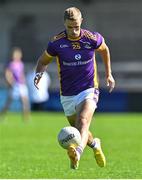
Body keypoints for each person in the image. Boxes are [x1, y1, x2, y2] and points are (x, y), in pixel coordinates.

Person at [34, 7, 115, 169]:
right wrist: (38, 74)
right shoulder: (56, 43)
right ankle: (95, 144)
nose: (74, 31)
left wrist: (109, 74)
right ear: (64, 24)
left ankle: (77, 153)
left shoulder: (92, 38)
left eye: (76, 27)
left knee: (83, 121)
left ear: (81, 22)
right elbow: (43, 61)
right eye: (70, 27)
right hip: (67, 94)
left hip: (89, 88)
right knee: (78, 129)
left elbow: (104, 50)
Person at [0, 47, 30, 122]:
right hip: (14, 85)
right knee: (8, 103)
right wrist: (10, 83)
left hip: (21, 85)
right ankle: (2, 115)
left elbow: (21, 74)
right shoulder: (10, 64)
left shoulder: (21, 64)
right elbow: (7, 74)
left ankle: (26, 119)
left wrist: (24, 81)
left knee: (25, 101)